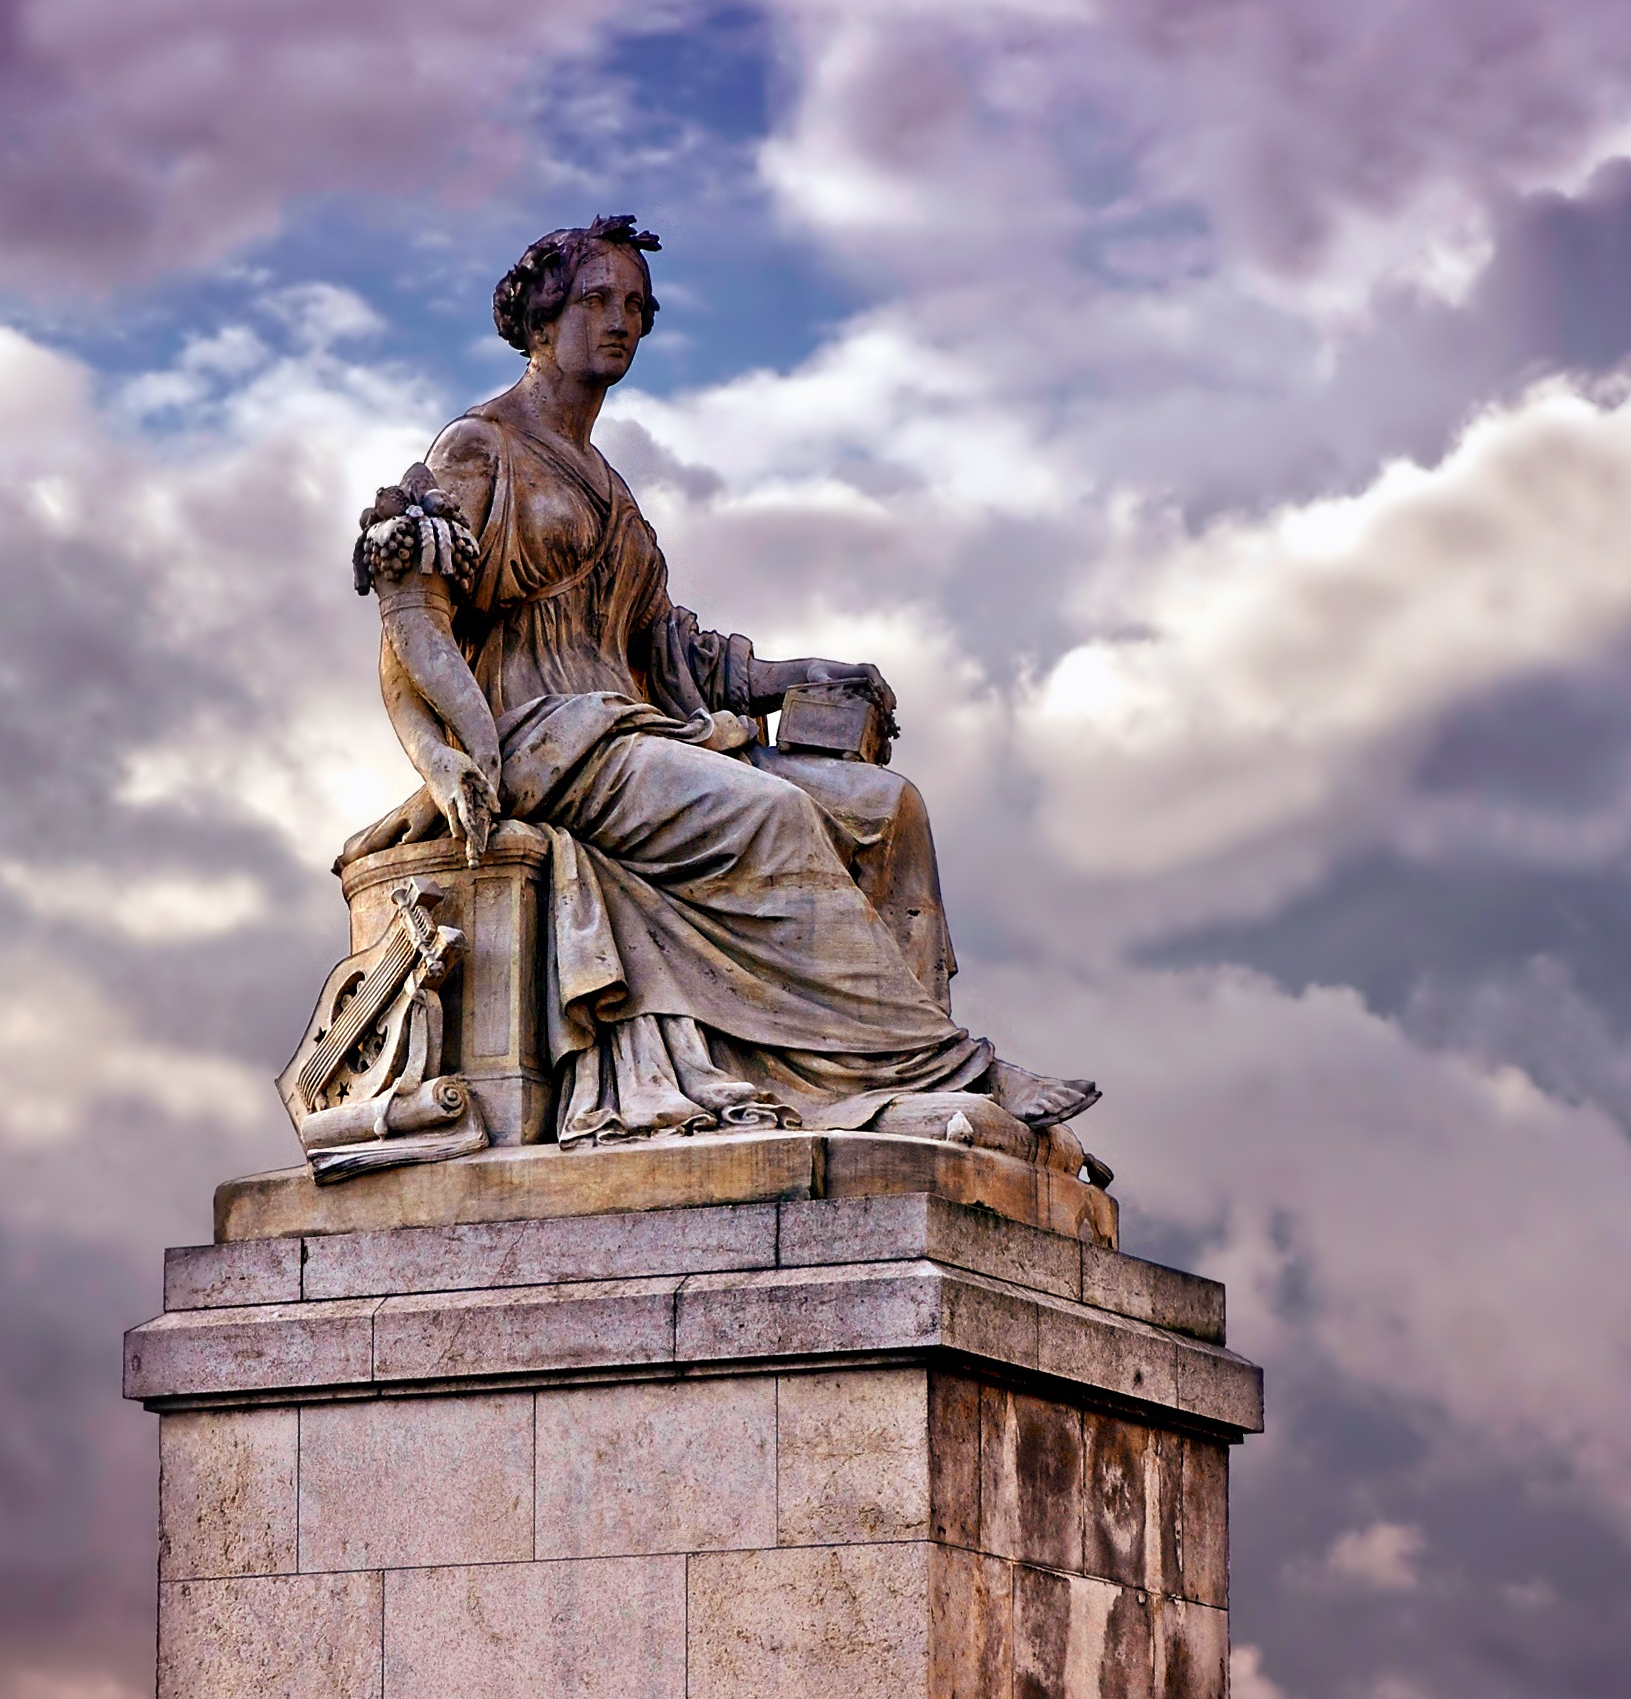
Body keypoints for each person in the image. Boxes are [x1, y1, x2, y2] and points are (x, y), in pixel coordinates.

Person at [337, 216, 1097, 1141]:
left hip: (637, 730)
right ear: (541, 318)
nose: (620, 321)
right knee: (770, 816)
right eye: (596, 300)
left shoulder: (610, 488)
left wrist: (796, 676)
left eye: (635, 307)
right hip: (546, 742)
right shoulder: (480, 446)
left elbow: (676, 652)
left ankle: (877, 1070)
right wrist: (440, 756)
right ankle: (952, 1069)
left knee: (886, 806)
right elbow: (408, 619)